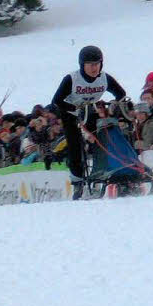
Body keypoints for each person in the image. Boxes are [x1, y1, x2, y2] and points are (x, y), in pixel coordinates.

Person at [51, 45, 127, 199]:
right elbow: (56, 101)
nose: (94, 68)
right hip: (70, 113)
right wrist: (73, 107)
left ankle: (109, 171)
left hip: (91, 111)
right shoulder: (71, 79)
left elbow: (121, 93)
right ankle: (78, 182)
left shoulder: (105, 78)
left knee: (107, 134)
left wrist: (113, 103)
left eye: (97, 64)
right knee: (75, 145)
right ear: (82, 65)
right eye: (90, 64)